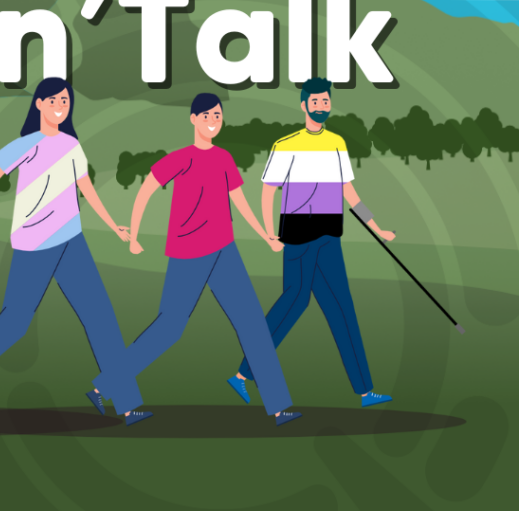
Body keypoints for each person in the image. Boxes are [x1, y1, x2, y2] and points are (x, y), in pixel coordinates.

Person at [0, 77, 152, 426]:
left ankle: (125, 402)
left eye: (66, 101)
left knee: (100, 316)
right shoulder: (24, 145)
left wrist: (113, 225)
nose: (61, 106)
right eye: (54, 100)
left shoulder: (72, 146)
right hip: (35, 243)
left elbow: (86, 191)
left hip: (72, 241)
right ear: (39, 105)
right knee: (14, 323)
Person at [125, 93, 302, 425]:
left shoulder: (224, 158)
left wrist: (266, 235)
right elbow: (146, 190)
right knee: (169, 327)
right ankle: (108, 384)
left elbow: (240, 201)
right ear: (193, 119)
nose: (213, 121)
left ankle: (279, 406)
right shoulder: (180, 158)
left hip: (224, 250)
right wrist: (134, 236)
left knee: (253, 325)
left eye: (218, 116)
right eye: (207, 115)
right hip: (188, 252)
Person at [230, 76, 395, 408]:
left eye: (326, 101)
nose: (321, 107)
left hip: (330, 234)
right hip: (297, 234)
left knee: (342, 309)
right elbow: (268, 190)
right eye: (315, 102)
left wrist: (376, 226)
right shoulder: (286, 144)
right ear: (304, 105)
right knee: (294, 302)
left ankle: (365, 391)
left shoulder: (337, 142)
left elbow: (349, 191)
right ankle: (243, 373)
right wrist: (269, 234)